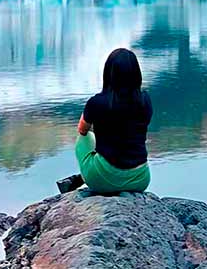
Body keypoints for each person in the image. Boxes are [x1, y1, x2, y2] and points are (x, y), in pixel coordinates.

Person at [57, 48, 153, 194]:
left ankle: (84, 176)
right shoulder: (145, 100)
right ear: (136, 73)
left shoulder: (97, 102)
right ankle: (80, 178)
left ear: (109, 73)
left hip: (103, 182)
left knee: (86, 137)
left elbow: (82, 129)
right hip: (140, 180)